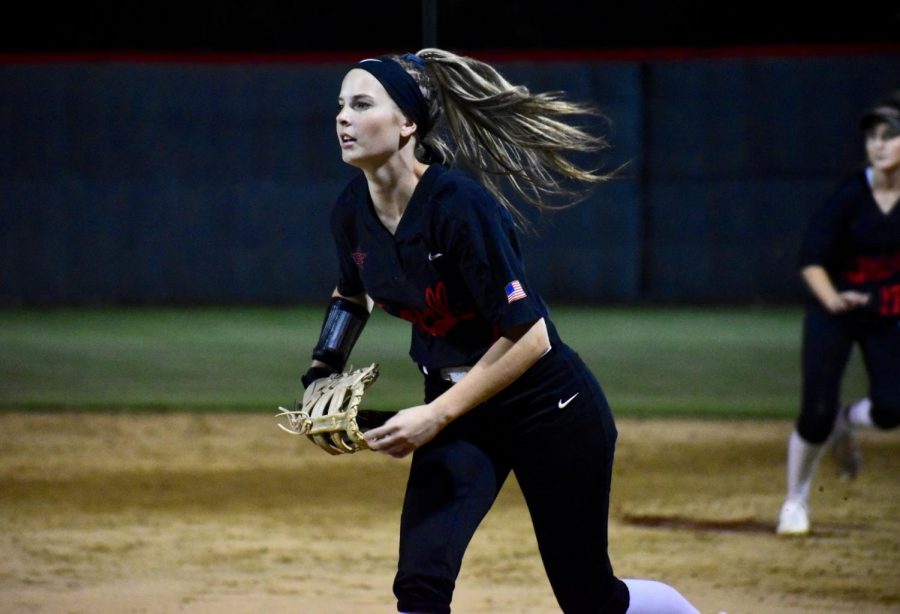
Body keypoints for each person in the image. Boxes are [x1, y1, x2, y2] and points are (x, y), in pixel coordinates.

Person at [300, 48, 699, 613]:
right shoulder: (351, 210)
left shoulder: (459, 205)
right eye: (340, 104)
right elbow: (351, 291)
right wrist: (321, 369)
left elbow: (530, 337)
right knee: (419, 584)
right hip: (459, 407)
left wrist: (436, 415)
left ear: (407, 123)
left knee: (589, 597)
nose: (342, 117)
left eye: (362, 104)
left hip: (547, 406)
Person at [776, 92, 900, 536]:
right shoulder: (852, 194)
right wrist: (833, 300)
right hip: (833, 308)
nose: (878, 144)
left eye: (890, 135)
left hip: (885, 313)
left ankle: (847, 421)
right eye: (872, 136)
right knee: (815, 414)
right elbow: (811, 258)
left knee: (891, 409)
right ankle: (795, 500)